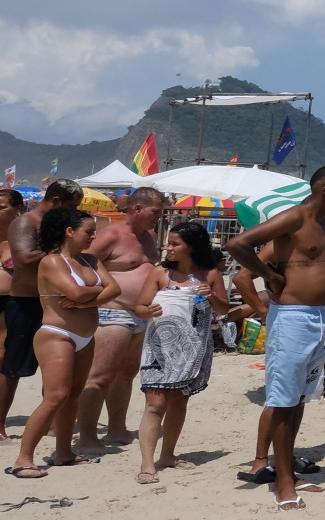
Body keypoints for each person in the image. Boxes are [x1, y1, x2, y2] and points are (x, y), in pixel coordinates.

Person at [227, 166, 325, 510]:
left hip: (321, 317)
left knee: (298, 399)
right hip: (293, 318)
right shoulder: (295, 217)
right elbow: (238, 244)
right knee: (282, 400)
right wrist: (269, 275)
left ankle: (290, 470)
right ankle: (282, 482)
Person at [9, 206, 117, 477]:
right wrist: (94, 294)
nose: (94, 237)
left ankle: (64, 453)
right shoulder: (52, 261)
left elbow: (115, 288)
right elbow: (76, 293)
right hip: (57, 335)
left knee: (72, 398)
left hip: (85, 336)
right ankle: (23, 459)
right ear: (69, 231)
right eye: (89, 232)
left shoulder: (91, 260)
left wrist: (86, 300)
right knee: (55, 396)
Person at [135, 222, 233, 484]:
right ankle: (147, 464)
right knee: (154, 404)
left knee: (179, 401)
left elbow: (223, 308)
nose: (169, 247)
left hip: (192, 349)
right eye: (169, 242)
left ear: (192, 247)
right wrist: (148, 312)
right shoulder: (160, 273)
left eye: (175, 243)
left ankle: (168, 455)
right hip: (159, 349)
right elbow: (140, 307)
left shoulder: (210, 275)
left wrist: (211, 294)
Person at [75, 186, 167, 452]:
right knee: (99, 376)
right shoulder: (112, 234)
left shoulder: (148, 236)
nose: (158, 217)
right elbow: (82, 265)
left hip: (140, 315)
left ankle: (116, 428)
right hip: (111, 311)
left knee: (126, 375)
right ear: (137, 208)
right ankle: (88, 436)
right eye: (155, 211)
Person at [0, 188, 28, 438]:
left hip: (12, 302)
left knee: (5, 360)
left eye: (2, 207)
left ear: (17, 208)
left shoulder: (25, 236)